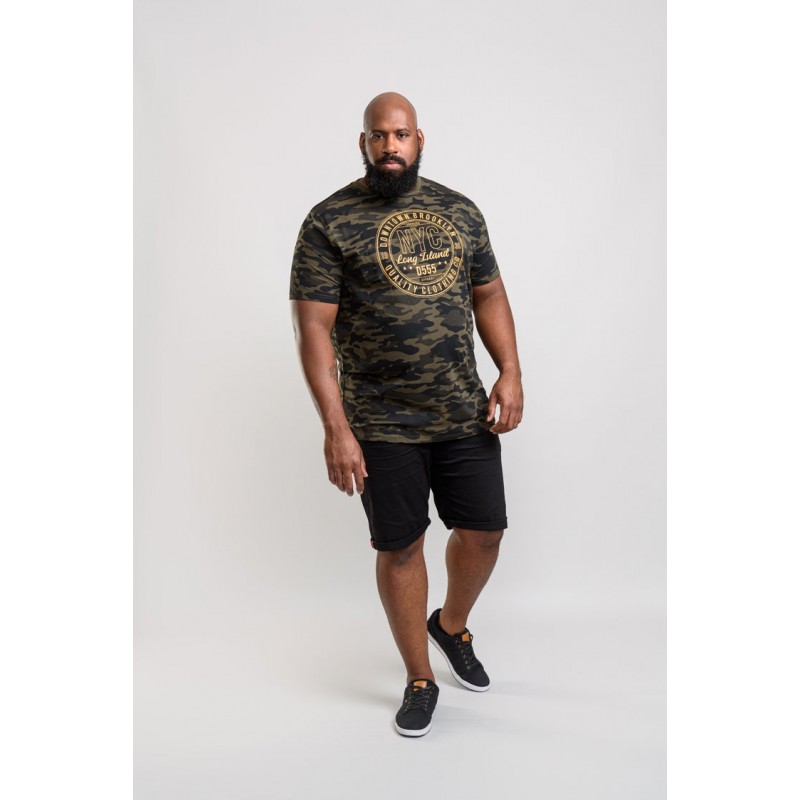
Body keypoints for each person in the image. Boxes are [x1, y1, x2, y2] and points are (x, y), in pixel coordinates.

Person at [290, 92, 523, 737]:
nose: (390, 146)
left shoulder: (460, 211)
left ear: (420, 139)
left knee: (485, 532)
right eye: (378, 136)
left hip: (462, 409)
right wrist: (336, 428)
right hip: (380, 421)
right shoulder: (329, 221)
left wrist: (509, 370)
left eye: (400, 135)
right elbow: (313, 329)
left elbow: (489, 294)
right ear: (363, 143)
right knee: (401, 547)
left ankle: (450, 625)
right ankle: (420, 678)